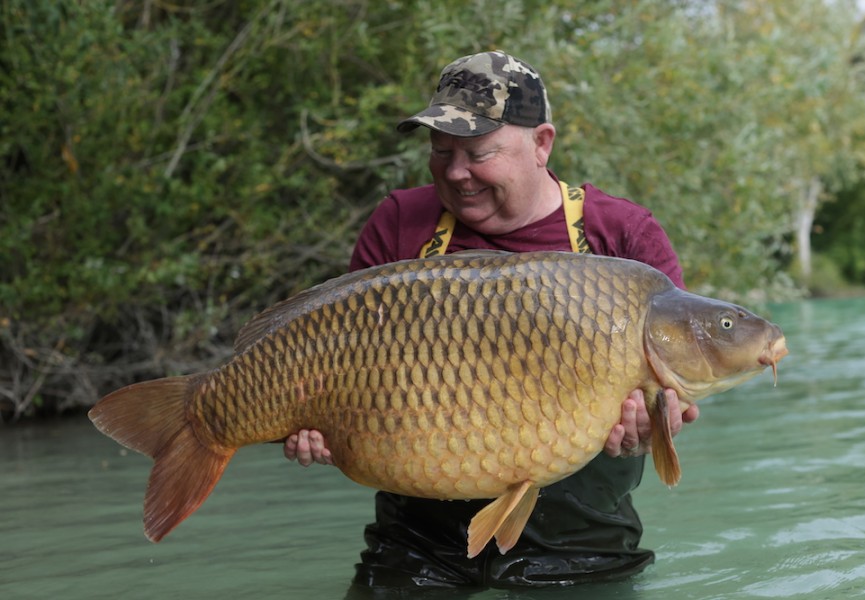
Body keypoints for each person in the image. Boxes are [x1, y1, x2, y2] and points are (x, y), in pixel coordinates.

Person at [284, 50, 699, 591]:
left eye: (478, 152)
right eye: (440, 150)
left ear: (541, 144)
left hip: (582, 544)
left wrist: (655, 425)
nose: (456, 172)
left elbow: (677, 380)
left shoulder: (621, 236)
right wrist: (316, 425)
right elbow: (341, 367)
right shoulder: (399, 224)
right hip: (418, 541)